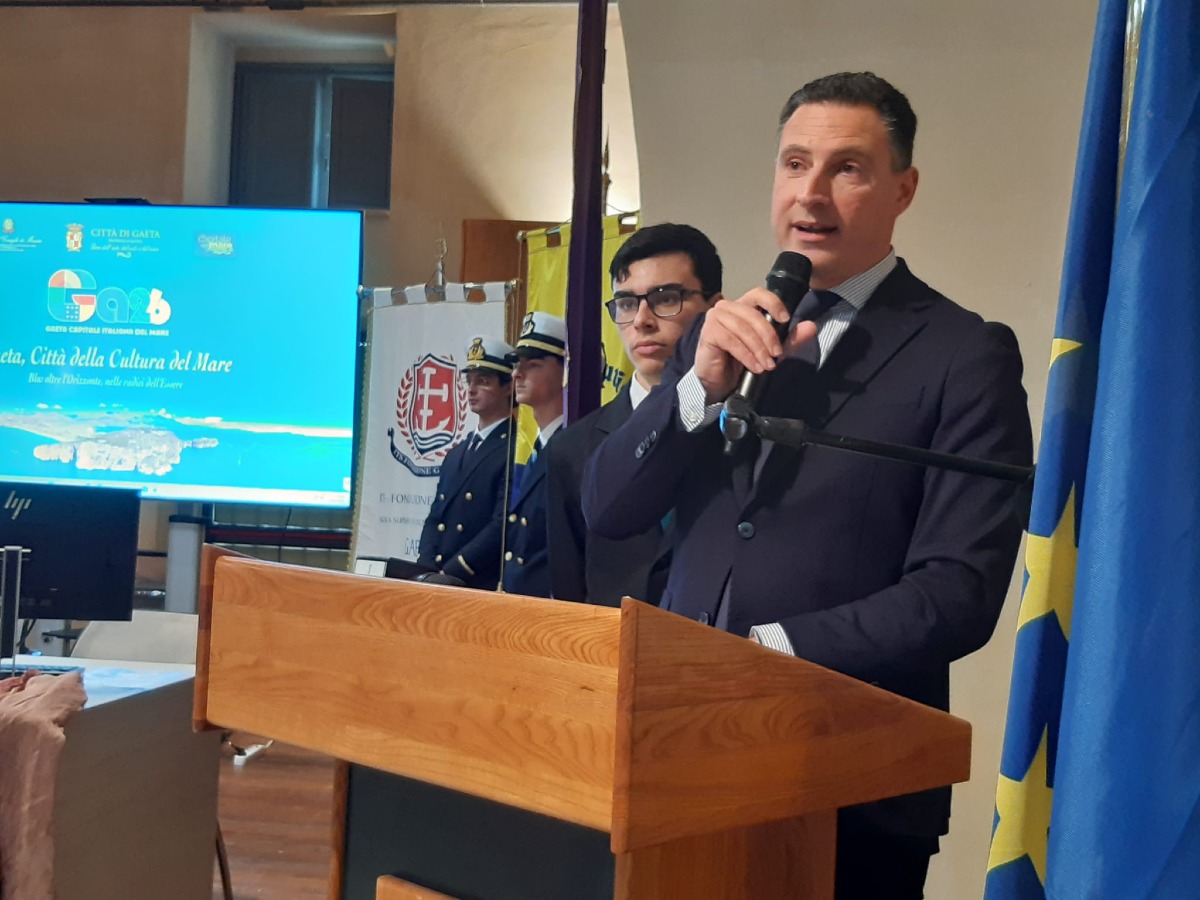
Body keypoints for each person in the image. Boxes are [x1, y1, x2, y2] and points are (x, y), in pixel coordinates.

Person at [582, 72, 1033, 899]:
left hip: (846, 785)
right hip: (676, 756)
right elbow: (609, 508)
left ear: (903, 190)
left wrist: (767, 652)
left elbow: (958, 591)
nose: (811, 193)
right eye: (794, 164)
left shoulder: (963, 354)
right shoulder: (722, 333)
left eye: (846, 168)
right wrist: (698, 388)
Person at [546, 223, 722, 606]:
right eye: (626, 303)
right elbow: (568, 595)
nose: (642, 320)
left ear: (714, 308)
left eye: (666, 298)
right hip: (611, 639)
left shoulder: (746, 430)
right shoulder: (571, 448)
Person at [416, 335, 515, 589]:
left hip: (477, 581)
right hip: (439, 580)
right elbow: (436, 516)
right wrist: (426, 566)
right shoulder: (457, 453)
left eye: (483, 381)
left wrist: (452, 571)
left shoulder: (515, 448)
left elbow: (500, 525)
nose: (471, 389)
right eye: (469, 380)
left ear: (508, 387)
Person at [500, 311, 566, 598]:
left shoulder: (573, 450)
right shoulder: (539, 448)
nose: (517, 374)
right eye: (518, 364)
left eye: (533, 364)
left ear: (566, 371)